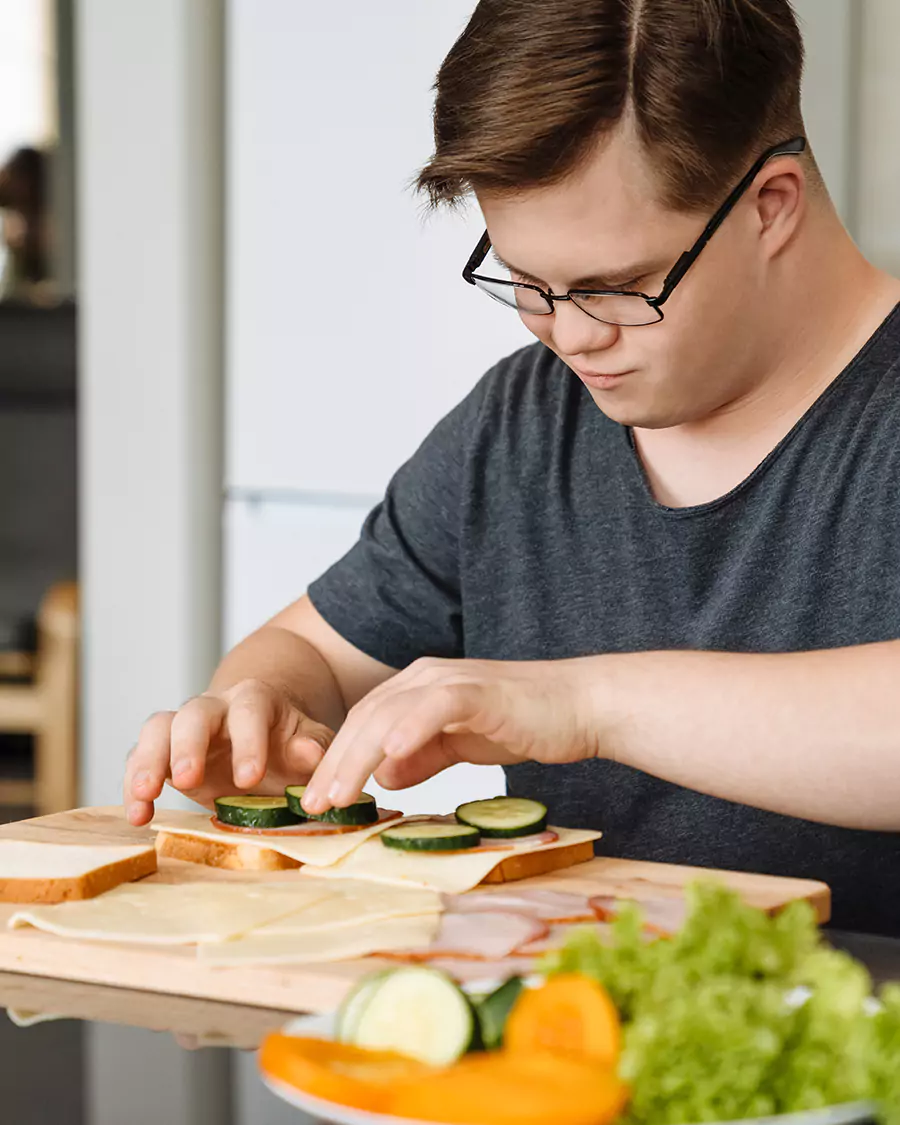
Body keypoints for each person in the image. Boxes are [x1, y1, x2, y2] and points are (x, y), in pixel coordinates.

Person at [125, 0, 900, 935]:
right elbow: (313, 654)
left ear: (771, 206)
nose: (572, 335)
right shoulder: (522, 421)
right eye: (528, 284)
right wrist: (253, 715)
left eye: (617, 287)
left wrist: (578, 701)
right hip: (558, 1048)